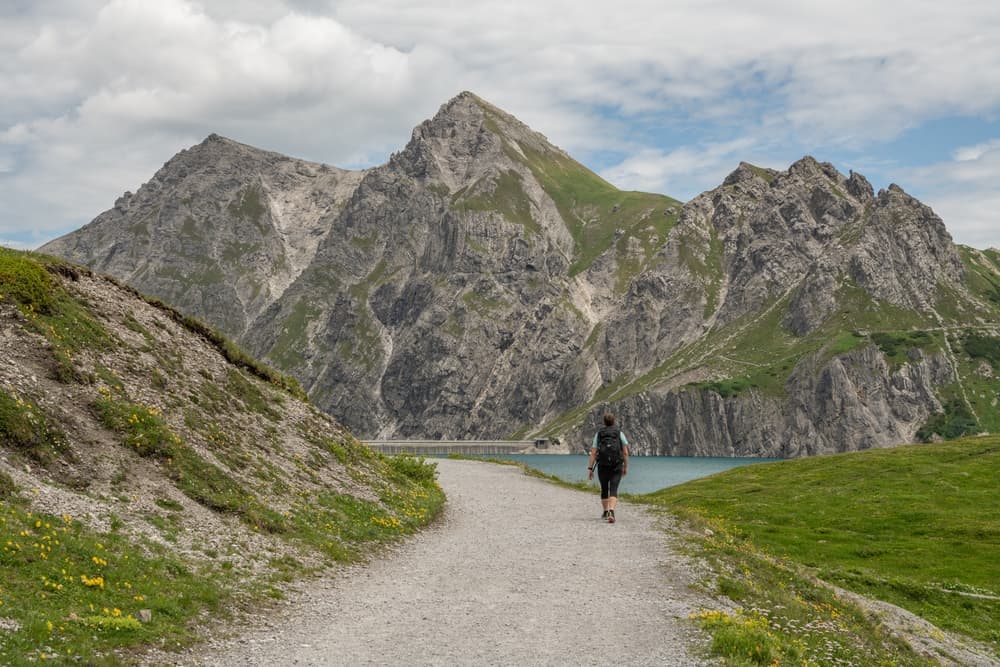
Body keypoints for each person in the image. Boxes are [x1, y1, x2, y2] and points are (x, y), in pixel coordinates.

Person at [587, 412, 629, 523]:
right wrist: (625, 466)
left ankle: (605, 511)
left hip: (602, 465)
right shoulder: (619, 433)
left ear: (604, 422)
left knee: (604, 488)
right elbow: (625, 452)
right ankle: (611, 511)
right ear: (614, 421)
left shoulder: (599, 434)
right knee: (614, 489)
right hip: (616, 465)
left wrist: (590, 468)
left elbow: (593, 452)